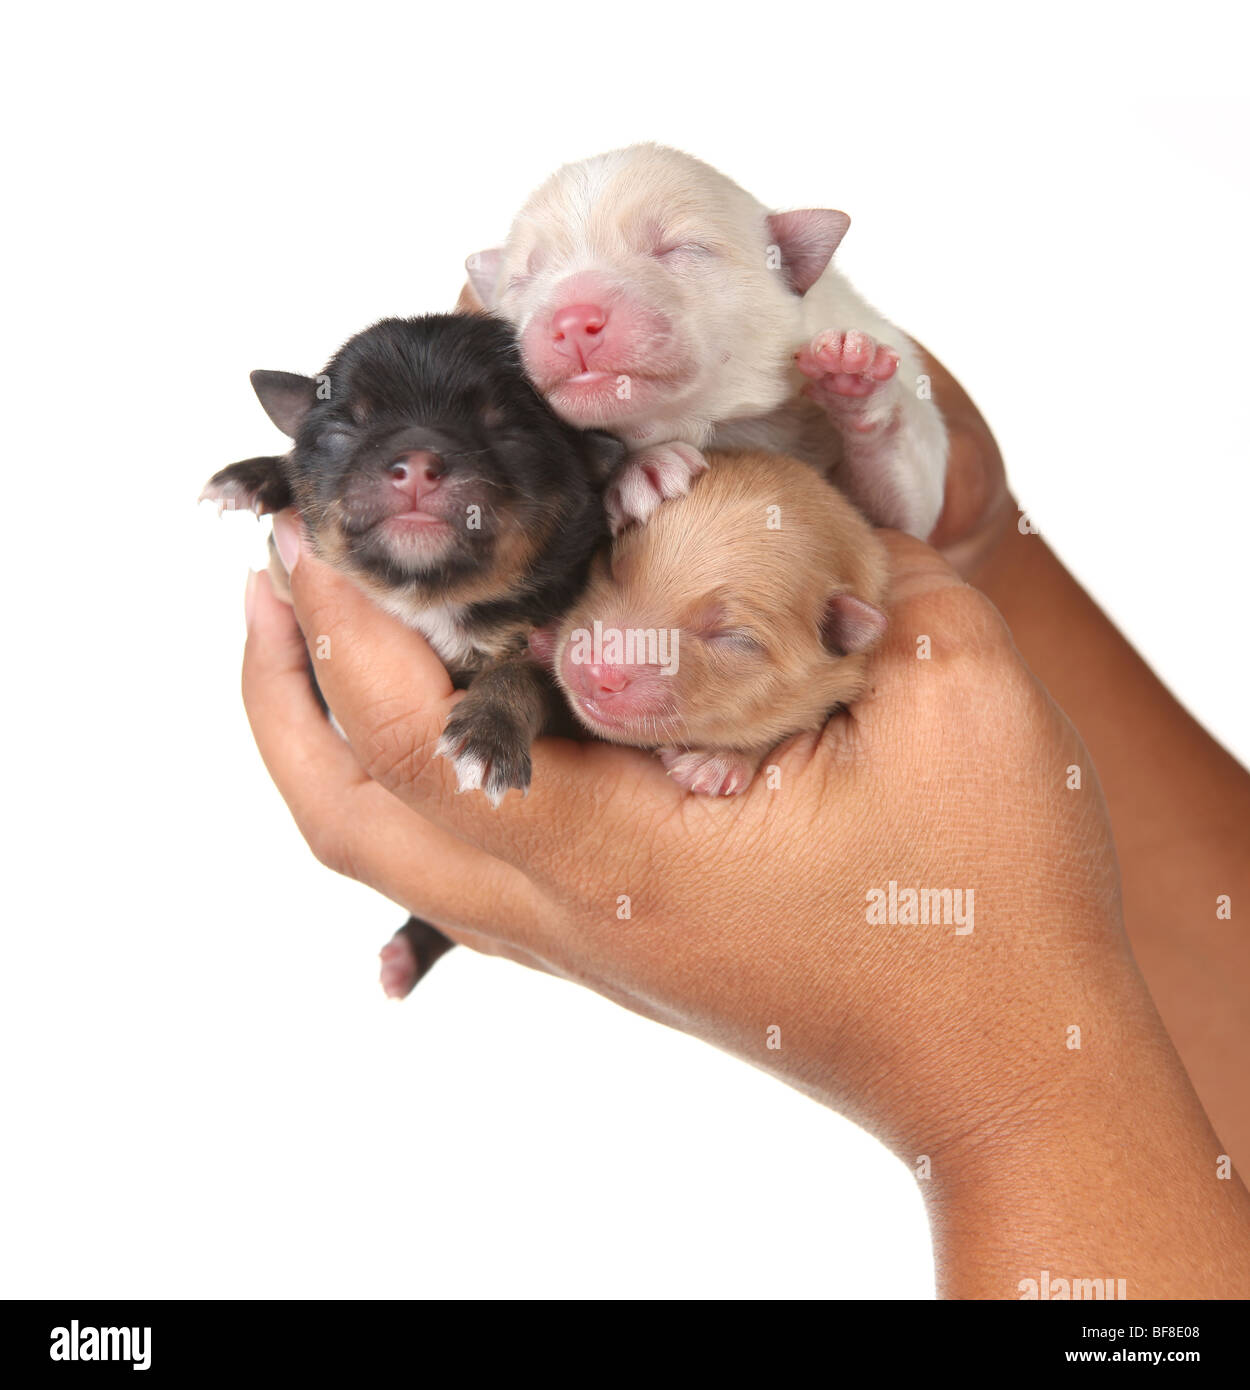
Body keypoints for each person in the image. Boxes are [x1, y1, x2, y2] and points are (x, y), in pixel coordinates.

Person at [237, 350, 1250, 1299]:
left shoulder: (832, 641)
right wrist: (969, 551)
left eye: (722, 635)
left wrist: (1002, 1089)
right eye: (608, 573)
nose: (610, 658)